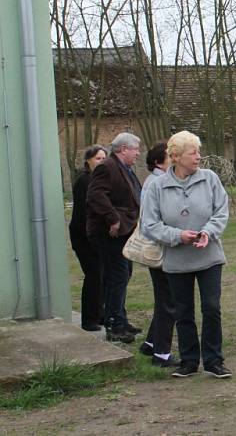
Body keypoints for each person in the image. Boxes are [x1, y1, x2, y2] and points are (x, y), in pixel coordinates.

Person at [140, 131, 231, 379]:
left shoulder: (210, 179)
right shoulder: (157, 186)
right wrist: (177, 236)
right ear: (176, 156)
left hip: (209, 256)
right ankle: (189, 361)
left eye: (198, 151)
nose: (199, 157)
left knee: (211, 307)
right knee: (183, 311)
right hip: (176, 260)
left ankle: (214, 360)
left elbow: (221, 212)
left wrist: (207, 232)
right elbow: (148, 224)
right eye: (194, 153)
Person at [86, 132, 142, 343]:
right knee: (116, 276)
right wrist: (113, 219)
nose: (137, 153)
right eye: (135, 148)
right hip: (108, 233)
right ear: (123, 149)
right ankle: (114, 324)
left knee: (123, 274)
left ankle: (121, 319)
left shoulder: (124, 168)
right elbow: (95, 195)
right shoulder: (107, 167)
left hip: (123, 231)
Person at [138, 141, 179, 368]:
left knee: (164, 298)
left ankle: (152, 343)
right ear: (158, 162)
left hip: (159, 247)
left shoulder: (153, 181)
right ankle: (162, 354)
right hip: (161, 249)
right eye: (168, 156)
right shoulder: (157, 184)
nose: (172, 159)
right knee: (168, 300)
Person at [69, 144, 108, 331]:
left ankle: (100, 314)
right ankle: (89, 320)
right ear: (88, 161)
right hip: (85, 238)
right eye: (98, 158)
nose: (101, 162)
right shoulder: (84, 182)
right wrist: (92, 237)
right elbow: (82, 214)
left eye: (103, 158)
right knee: (93, 276)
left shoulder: (99, 181)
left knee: (101, 276)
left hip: (98, 237)